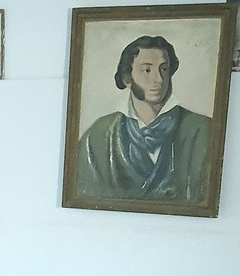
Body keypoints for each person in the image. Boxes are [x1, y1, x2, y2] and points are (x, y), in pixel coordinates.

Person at [76, 35, 211, 204]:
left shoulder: (201, 130)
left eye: (164, 69)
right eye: (147, 70)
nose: (158, 79)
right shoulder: (99, 135)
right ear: (127, 79)